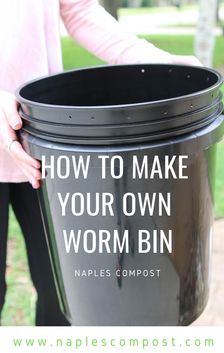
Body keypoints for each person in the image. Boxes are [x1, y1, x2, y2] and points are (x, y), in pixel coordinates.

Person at [0, 0, 201, 325]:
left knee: (66, 294)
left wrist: (157, 62)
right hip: (31, 133)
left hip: (45, 144)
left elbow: (80, 10)